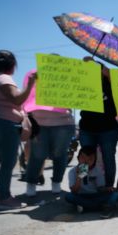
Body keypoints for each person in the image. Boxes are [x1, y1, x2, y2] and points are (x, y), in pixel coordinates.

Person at [0, 50, 34, 209]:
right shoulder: (5, 79)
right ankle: (5, 197)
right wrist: (30, 85)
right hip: (6, 125)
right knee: (7, 163)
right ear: (12, 65)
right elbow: (17, 99)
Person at [22, 68, 75, 197]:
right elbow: (26, 97)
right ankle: (31, 183)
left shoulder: (68, 78)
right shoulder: (34, 76)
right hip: (39, 124)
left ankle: (56, 182)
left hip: (63, 123)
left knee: (60, 154)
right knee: (37, 155)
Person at [80, 57, 118, 188]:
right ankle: (82, 184)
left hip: (108, 129)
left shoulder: (111, 84)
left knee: (108, 158)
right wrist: (83, 66)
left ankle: (109, 186)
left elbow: (112, 75)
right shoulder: (83, 83)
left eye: (96, 69)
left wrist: (97, 64)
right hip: (86, 128)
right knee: (84, 158)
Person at [65, 145, 117, 213]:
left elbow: (100, 188)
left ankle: (86, 207)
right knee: (69, 196)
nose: (86, 161)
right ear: (78, 158)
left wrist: (108, 189)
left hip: (95, 195)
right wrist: (79, 177)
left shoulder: (97, 170)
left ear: (94, 160)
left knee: (115, 194)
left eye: (90, 159)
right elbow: (74, 191)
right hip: (81, 195)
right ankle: (97, 207)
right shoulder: (72, 172)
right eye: (83, 158)